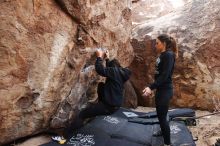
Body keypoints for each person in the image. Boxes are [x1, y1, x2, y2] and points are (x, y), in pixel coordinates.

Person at [52, 49, 131, 143]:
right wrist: (108, 58)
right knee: (101, 85)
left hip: (107, 106)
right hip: (115, 106)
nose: (109, 69)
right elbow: (111, 69)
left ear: (113, 69)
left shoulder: (114, 72)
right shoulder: (122, 74)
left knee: (82, 114)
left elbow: (100, 70)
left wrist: (99, 57)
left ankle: (65, 138)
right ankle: (86, 121)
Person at [142, 34, 178, 146]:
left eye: (157, 43)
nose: (155, 45)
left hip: (165, 90)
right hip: (161, 90)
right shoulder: (163, 55)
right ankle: (163, 132)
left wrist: (150, 87)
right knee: (161, 115)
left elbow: (165, 76)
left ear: (164, 44)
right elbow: (159, 75)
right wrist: (154, 87)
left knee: (162, 117)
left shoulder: (168, 55)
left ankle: (167, 143)